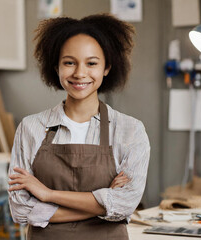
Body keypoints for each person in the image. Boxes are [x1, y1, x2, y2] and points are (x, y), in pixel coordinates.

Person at [8, 13, 150, 240]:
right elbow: (21, 210)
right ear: (56, 67)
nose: (79, 73)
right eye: (69, 62)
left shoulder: (130, 130)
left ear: (107, 67)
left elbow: (124, 206)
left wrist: (47, 194)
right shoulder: (31, 127)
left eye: (91, 63)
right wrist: (102, 204)